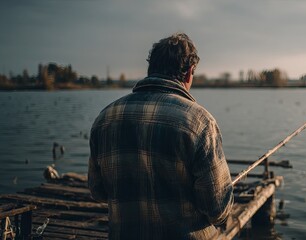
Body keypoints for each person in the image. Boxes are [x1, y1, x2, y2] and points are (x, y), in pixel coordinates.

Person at [88, 32, 233, 240]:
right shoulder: (200, 122)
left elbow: (97, 191)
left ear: (151, 69)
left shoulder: (105, 118)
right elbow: (218, 209)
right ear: (189, 73)